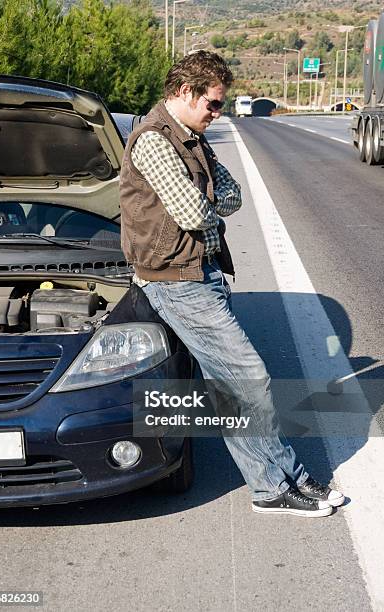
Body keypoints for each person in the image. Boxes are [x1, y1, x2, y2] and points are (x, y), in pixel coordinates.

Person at [119, 50, 344, 517]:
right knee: (249, 379)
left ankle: (281, 481)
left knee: (234, 385)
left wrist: (204, 198)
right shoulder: (155, 141)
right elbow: (192, 212)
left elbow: (232, 195)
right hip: (175, 281)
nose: (217, 113)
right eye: (214, 104)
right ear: (186, 92)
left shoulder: (192, 138)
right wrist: (206, 201)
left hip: (201, 272)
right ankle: (275, 485)